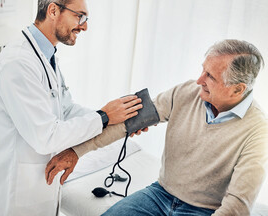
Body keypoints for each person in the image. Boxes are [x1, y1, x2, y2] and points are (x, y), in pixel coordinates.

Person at [0, 0, 143, 216]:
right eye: (80, 16)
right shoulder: (18, 63)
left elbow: (65, 109)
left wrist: (119, 121)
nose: (84, 26)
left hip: (41, 187)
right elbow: (46, 137)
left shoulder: (46, 57)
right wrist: (104, 117)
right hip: (15, 194)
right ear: (53, 10)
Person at [46, 39, 268, 216]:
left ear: (238, 90)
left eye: (210, 76)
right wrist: (76, 152)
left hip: (206, 210)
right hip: (160, 194)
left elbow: (237, 206)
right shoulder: (186, 92)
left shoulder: (258, 131)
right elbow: (126, 123)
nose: (199, 80)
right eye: (203, 70)